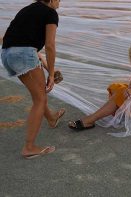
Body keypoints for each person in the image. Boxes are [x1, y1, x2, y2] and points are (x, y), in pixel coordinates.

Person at [1, 0, 65, 159]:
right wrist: (51, 74)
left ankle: (51, 119)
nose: (60, 1)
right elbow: (50, 45)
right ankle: (29, 147)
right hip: (23, 54)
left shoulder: (28, 9)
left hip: (7, 55)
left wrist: (48, 69)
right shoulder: (51, 13)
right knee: (40, 99)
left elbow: (26, 44)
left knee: (38, 95)